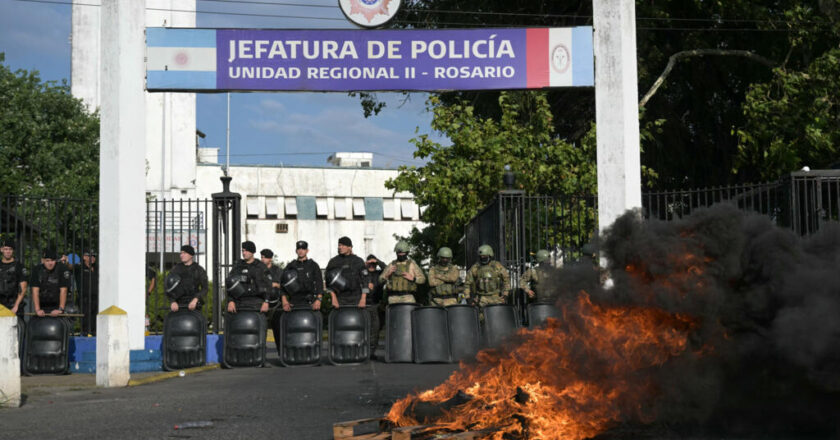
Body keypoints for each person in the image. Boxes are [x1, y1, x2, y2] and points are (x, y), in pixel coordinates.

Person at [225, 241, 271, 313]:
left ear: (252, 252)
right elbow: (229, 284)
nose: (244, 253)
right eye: (243, 251)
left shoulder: (261, 267)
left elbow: (268, 285)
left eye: (246, 251)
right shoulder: (238, 266)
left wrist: (266, 302)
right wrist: (230, 301)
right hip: (239, 304)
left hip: (256, 304)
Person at [324, 236, 368, 308]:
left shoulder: (358, 261)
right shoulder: (333, 261)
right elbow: (328, 281)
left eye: (343, 245)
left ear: (349, 247)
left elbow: (365, 280)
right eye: (339, 245)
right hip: (339, 299)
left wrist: (363, 299)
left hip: (356, 298)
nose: (340, 247)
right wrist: (333, 297)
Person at [279, 241, 324, 311]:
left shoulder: (313, 265)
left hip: (311, 302)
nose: (301, 251)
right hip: (294, 302)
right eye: (299, 249)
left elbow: (319, 284)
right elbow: (282, 284)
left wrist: (319, 300)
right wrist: (284, 301)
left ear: (307, 250)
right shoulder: (291, 265)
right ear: (296, 251)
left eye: (303, 249)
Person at [1, 240, 29, 350]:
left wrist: (16, 305)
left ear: (13, 251)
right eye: (6, 249)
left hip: (14, 305)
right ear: (1, 250)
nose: (8, 251)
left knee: (15, 335)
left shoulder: (19, 266)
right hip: (1, 305)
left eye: (10, 249)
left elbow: (23, 288)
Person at [165, 245, 208, 312]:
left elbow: (205, 288)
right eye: (181, 253)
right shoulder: (175, 269)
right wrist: (172, 301)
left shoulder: (199, 270)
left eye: (184, 253)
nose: (181, 255)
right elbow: (167, 287)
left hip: (194, 305)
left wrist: (195, 299)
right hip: (178, 305)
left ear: (191, 255)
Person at [31, 248, 71, 317]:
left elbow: (63, 290)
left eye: (52, 260)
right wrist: (37, 309)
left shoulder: (62, 268)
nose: (50, 263)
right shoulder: (37, 270)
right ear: (43, 261)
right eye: (47, 261)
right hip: (42, 306)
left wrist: (60, 309)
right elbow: (35, 291)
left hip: (58, 305)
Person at [363, 254, 386, 358]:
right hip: (364, 305)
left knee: (375, 329)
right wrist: (365, 264)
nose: (372, 266)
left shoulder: (379, 274)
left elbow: (386, 269)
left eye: (373, 264)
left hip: (376, 305)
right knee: (364, 329)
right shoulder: (363, 273)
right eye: (370, 264)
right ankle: (363, 350)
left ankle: (371, 352)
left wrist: (377, 261)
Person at [74, 250, 98, 333]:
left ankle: (95, 335)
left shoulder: (98, 268)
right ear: (84, 257)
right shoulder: (79, 267)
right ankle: (86, 335)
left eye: (94, 256)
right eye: (89, 256)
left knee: (96, 320)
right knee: (86, 321)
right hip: (84, 299)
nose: (92, 258)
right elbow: (70, 266)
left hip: (97, 298)